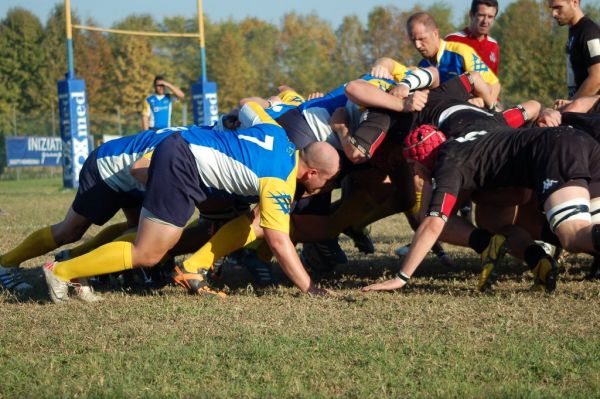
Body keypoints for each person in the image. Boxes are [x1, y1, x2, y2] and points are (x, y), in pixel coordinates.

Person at [42, 102, 341, 303]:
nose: (326, 187)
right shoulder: (281, 181)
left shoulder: (276, 131)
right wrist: (310, 288)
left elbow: (250, 106)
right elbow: (279, 243)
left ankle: (72, 270)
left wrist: (231, 121)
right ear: (312, 172)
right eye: (327, 181)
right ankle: (61, 271)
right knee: (148, 251)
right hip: (182, 163)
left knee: (153, 243)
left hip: (183, 150)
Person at [0, 128, 179, 296]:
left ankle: (73, 257)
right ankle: (6, 263)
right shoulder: (186, 143)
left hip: (128, 171)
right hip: (109, 166)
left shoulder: (194, 137)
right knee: (70, 231)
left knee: (139, 227)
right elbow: (142, 165)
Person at [403, 11, 501, 106]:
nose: (418, 45)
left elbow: (494, 85)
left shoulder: (460, 52)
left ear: (435, 34)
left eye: (421, 39)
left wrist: (485, 103)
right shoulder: (422, 66)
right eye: (413, 40)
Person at [549, 0, 600, 100]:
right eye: (552, 8)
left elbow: (597, 77)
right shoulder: (574, 31)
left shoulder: (589, 32)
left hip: (593, 113)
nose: (554, 14)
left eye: (558, 7)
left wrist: (571, 103)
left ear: (575, 2)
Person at [445, 0, 500, 77]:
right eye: (481, 15)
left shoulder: (493, 46)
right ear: (471, 15)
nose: (485, 21)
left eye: (490, 17)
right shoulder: (452, 40)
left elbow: (492, 83)